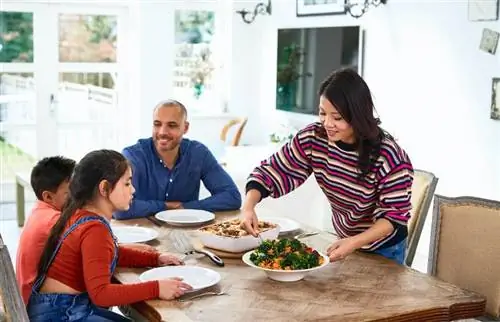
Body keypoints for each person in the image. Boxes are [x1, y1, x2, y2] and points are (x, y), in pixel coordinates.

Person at [240, 68, 414, 265]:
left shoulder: (389, 155)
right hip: (345, 239)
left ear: (357, 115)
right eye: (323, 113)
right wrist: (248, 207)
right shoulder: (314, 138)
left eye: (337, 117)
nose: (328, 123)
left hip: (384, 248)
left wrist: (354, 242)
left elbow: (393, 217)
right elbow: (272, 171)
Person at [26, 149, 192, 321]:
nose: (133, 190)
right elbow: (101, 294)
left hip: (60, 308)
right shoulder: (94, 229)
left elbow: (105, 254)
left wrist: (155, 258)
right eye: (127, 183)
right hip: (63, 314)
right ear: (104, 188)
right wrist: (157, 288)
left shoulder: (78, 214)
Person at [113, 99, 241, 220]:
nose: (162, 132)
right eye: (157, 124)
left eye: (172, 125)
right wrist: (165, 206)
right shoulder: (133, 156)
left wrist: (186, 207)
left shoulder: (198, 153)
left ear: (185, 128)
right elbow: (118, 209)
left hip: (187, 231)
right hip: (141, 233)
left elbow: (232, 197)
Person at [16, 156, 76, 305]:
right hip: (40, 306)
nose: (77, 197)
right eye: (70, 193)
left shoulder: (40, 210)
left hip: (30, 298)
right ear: (48, 196)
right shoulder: (52, 221)